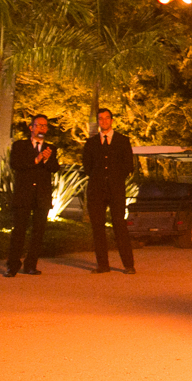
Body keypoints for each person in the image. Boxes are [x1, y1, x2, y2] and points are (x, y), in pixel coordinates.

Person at [4, 114, 59, 277]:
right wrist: (37, 159)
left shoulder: (51, 148)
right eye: (38, 125)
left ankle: (31, 265)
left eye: (44, 126)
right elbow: (16, 164)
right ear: (31, 127)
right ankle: (12, 266)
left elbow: (55, 168)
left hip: (41, 196)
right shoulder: (20, 145)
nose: (42, 128)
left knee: (38, 233)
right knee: (19, 231)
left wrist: (47, 160)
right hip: (24, 195)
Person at [82, 108, 136, 274]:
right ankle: (103, 265)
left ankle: (128, 264)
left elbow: (129, 165)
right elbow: (87, 166)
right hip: (96, 190)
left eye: (107, 118)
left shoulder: (122, 141)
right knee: (98, 228)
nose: (104, 121)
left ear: (111, 120)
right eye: (101, 118)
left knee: (119, 225)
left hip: (116, 189)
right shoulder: (91, 143)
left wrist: (115, 177)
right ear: (98, 121)